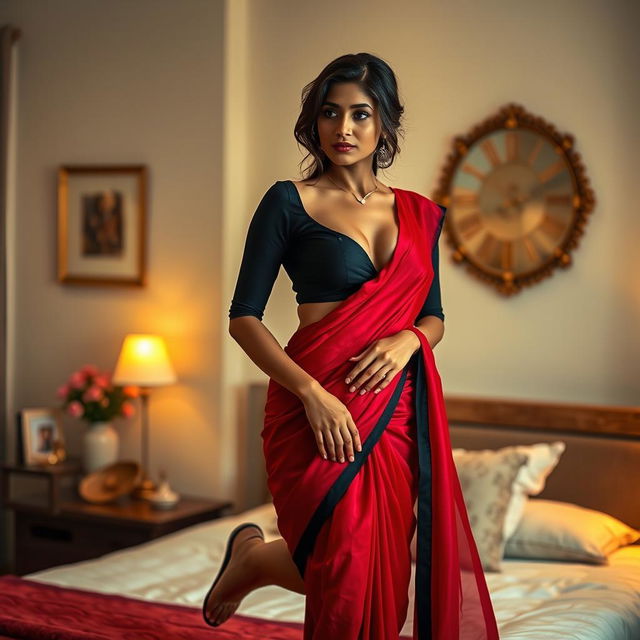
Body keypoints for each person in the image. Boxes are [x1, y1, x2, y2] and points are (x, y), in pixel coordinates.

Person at [202, 53, 500, 639]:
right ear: (314, 123)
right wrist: (312, 394)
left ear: (385, 123)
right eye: (330, 114)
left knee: (379, 566)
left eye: (360, 115)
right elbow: (243, 318)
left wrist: (408, 341)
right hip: (312, 402)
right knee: (345, 559)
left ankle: (257, 559)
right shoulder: (289, 202)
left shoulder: (420, 214)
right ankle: (257, 560)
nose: (344, 129)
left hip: (391, 408)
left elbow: (434, 317)